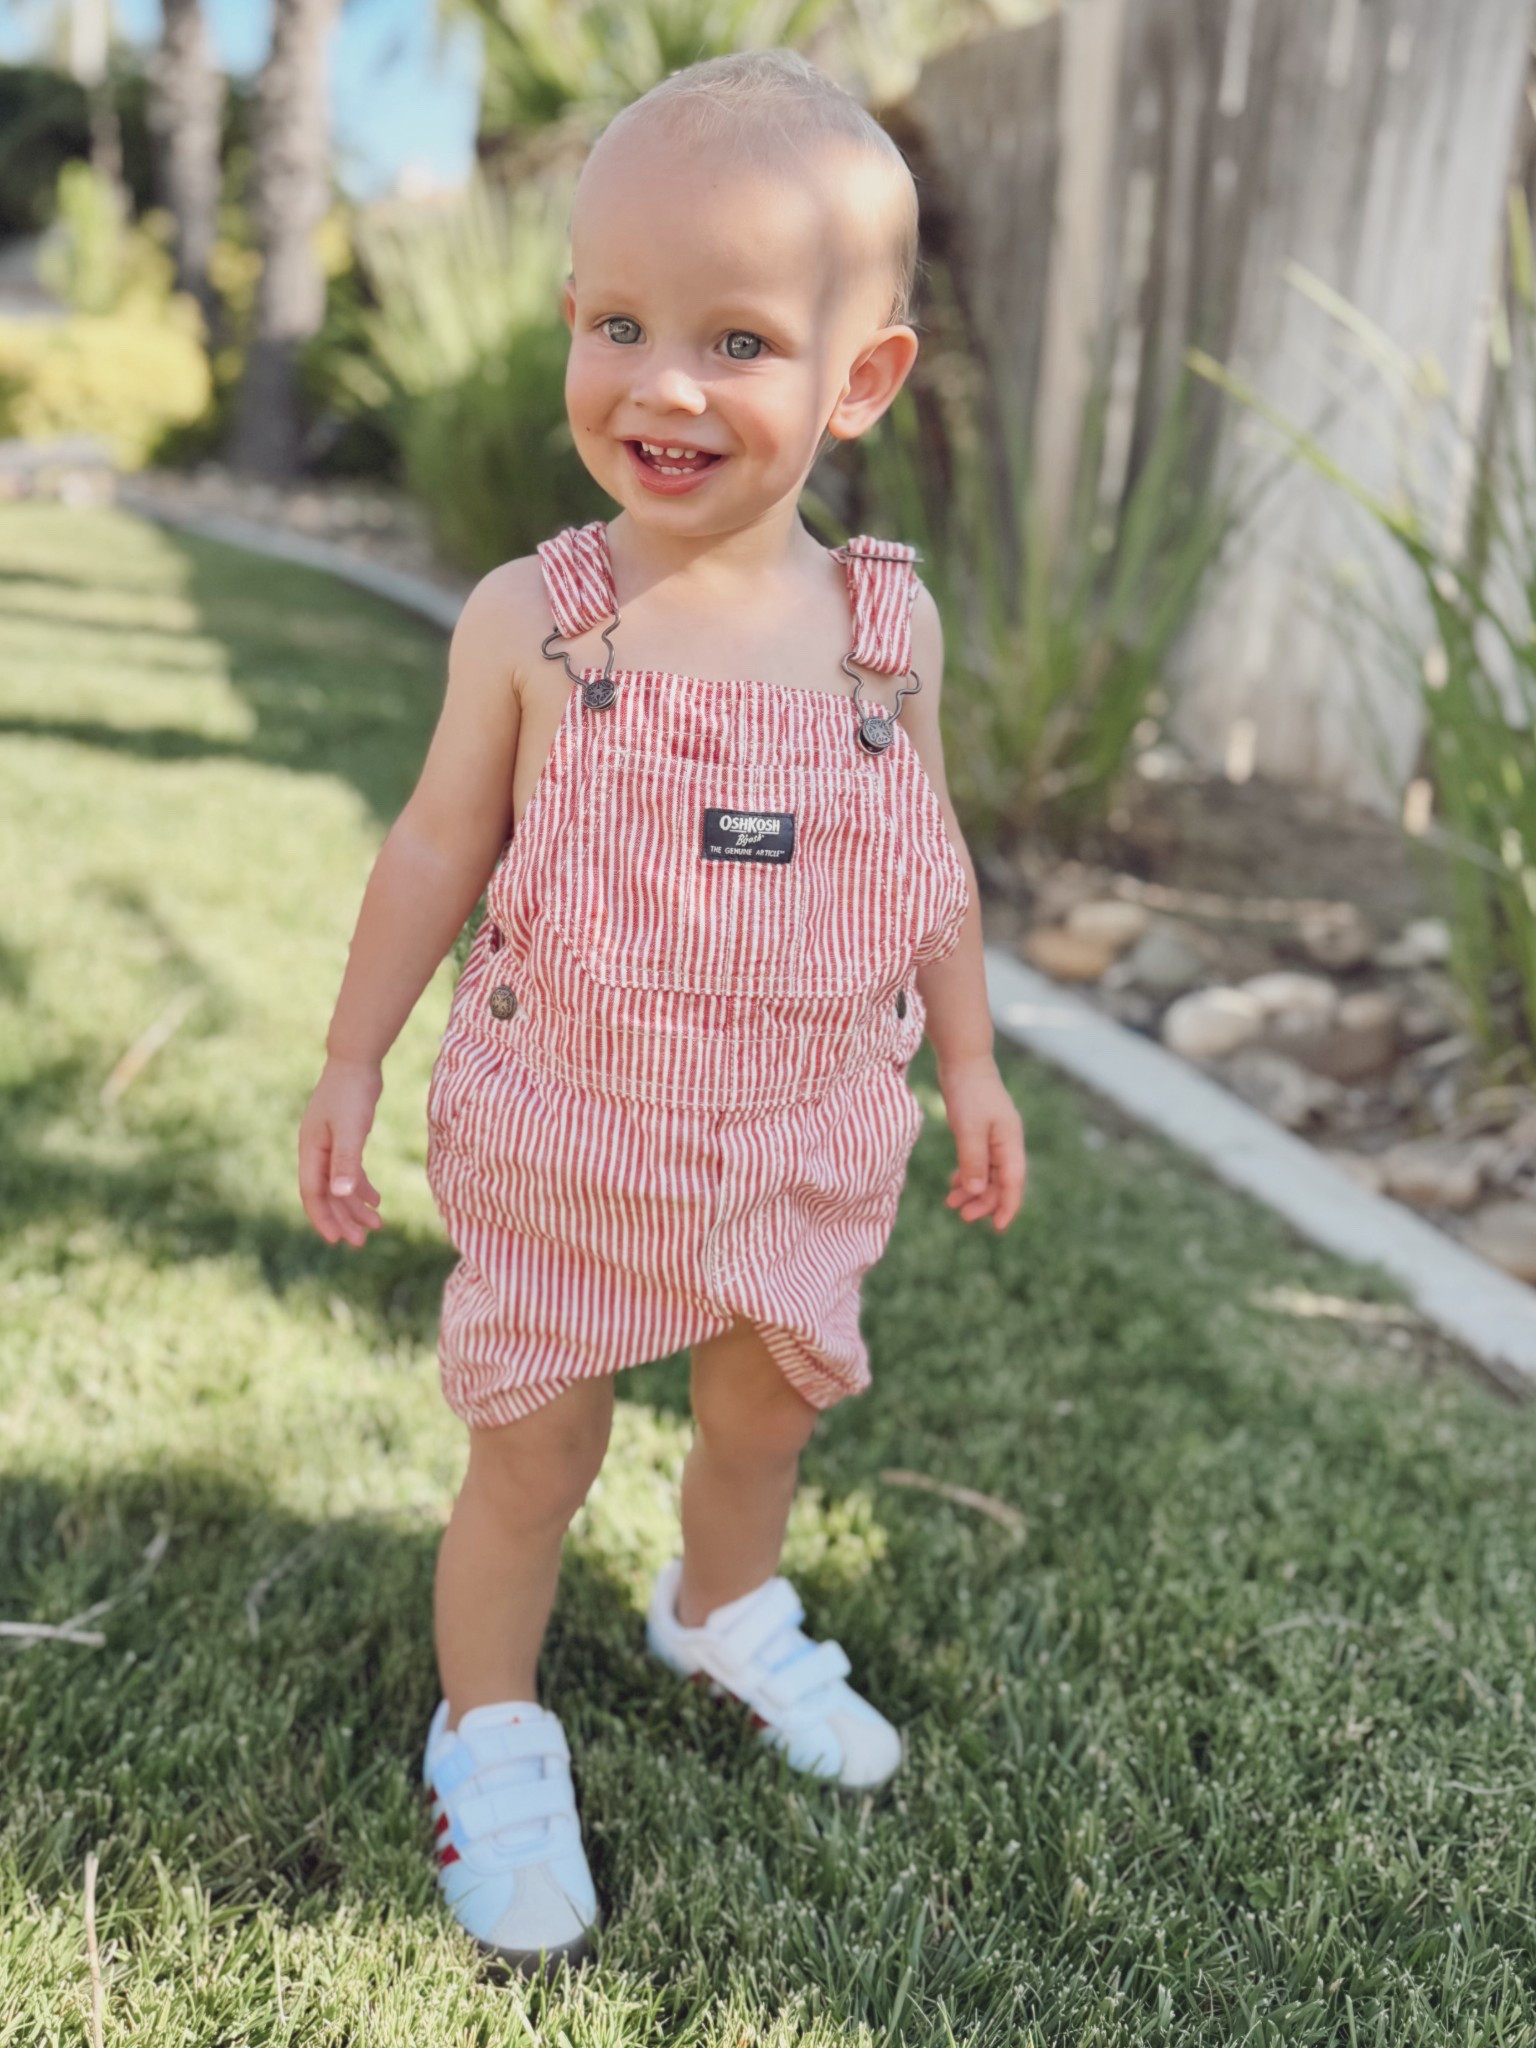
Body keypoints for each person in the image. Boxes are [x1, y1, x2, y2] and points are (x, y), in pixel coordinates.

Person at [297, 46, 1027, 1972]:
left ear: (860, 380)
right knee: (534, 1449)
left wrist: (965, 1055)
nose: (666, 383)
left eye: (738, 338)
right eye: (619, 322)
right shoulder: (539, 620)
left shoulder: (888, 626)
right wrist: (356, 1052)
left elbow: (923, 853)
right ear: (567, 326)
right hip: (567, 1140)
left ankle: (720, 1606)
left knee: (763, 1413)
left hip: (799, 1131)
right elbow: (437, 847)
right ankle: (491, 1727)